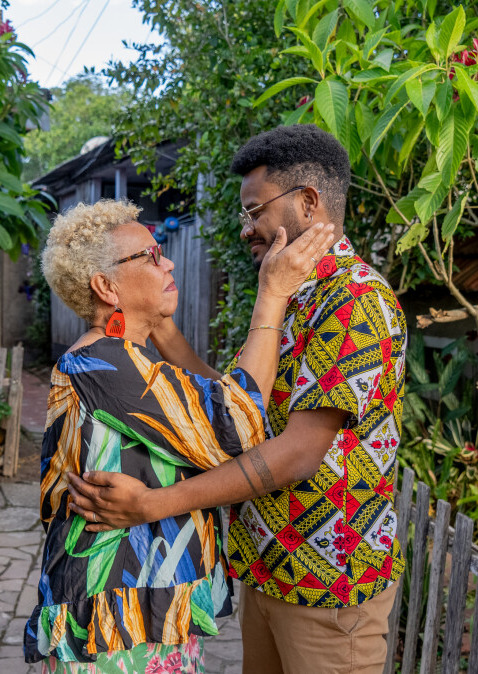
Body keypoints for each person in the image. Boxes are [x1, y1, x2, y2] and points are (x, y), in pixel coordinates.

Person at [67, 125, 408, 674]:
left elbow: (298, 453)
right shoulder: (293, 291)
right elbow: (236, 410)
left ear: (308, 202)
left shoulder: (354, 301)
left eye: (255, 211)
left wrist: (155, 505)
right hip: (274, 565)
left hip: (327, 580)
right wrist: (163, 329)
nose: (246, 227)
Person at [24, 197, 335, 672]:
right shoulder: (102, 363)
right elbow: (234, 423)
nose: (166, 261)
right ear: (106, 286)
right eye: (149, 256)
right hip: (116, 629)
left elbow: (210, 398)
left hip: (147, 615)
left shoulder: (129, 359)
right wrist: (272, 294)